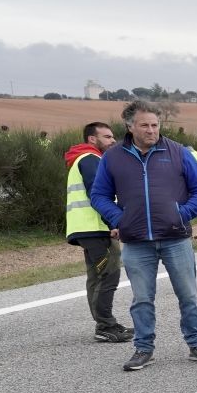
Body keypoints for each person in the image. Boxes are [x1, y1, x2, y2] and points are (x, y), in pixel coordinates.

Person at [89, 100, 197, 372]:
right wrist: (118, 218)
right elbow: (99, 195)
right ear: (130, 126)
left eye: (155, 125)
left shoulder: (178, 152)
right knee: (142, 299)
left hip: (176, 237)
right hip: (136, 242)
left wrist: (181, 214)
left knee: (189, 296)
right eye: (144, 125)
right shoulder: (113, 157)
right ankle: (143, 349)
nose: (151, 130)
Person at [65, 121, 131, 343]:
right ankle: (105, 325)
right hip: (95, 227)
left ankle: (105, 323)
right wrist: (113, 222)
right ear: (93, 139)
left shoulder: (87, 158)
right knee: (108, 274)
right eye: (108, 137)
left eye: (113, 137)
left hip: (88, 228)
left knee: (97, 276)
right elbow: (98, 195)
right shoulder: (91, 160)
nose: (113, 140)